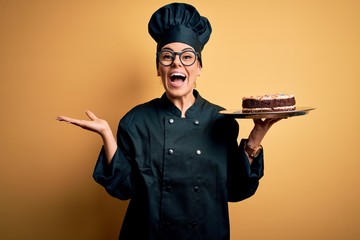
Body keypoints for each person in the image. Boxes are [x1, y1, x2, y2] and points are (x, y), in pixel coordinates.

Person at [57, 3, 282, 240]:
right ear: (158, 68)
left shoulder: (222, 121)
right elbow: (124, 189)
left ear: (199, 67)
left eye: (187, 56)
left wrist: (257, 135)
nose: (177, 63)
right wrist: (107, 136)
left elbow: (237, 189)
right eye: (167, 56)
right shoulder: (136, 121)